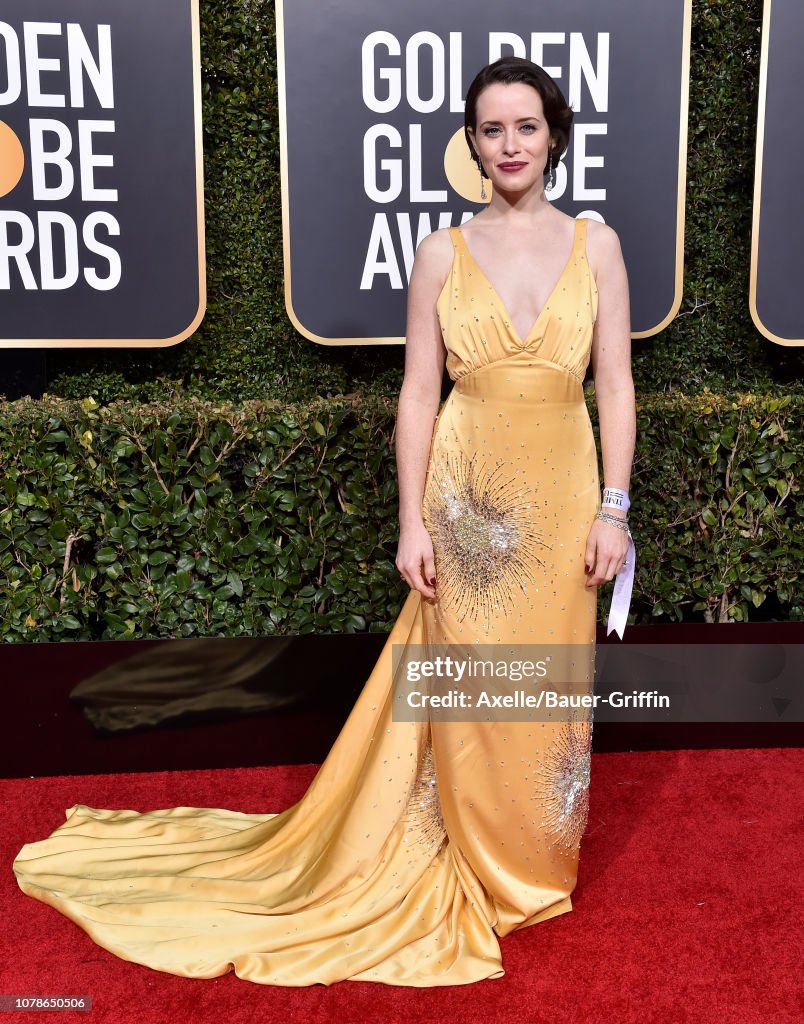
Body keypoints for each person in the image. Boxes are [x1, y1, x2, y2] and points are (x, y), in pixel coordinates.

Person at [11, 56, 635, 987]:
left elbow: (617, 386)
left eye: (526, 127)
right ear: (473, 143)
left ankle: (533, 859)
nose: (510, 145)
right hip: (466, 503)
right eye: (492, 130)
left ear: (556, 135)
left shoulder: (599, 246)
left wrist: (616, 508)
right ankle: (464, 853)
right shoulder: (440, 251)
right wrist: (411, 522)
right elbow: (419, 396)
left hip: (564, 492)